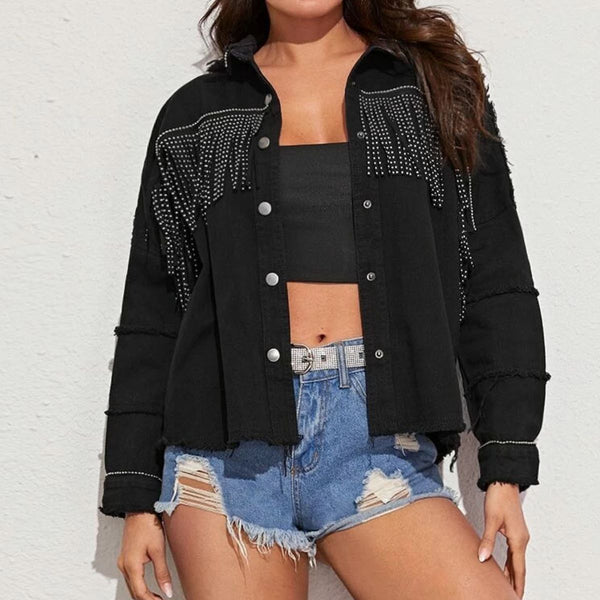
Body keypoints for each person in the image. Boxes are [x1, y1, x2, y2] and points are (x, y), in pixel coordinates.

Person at [99, 1, 550, 598]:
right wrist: (135, 496)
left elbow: (495, 281)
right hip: (225, 451)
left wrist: (506, 464)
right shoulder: (196, 116)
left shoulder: (431, 94)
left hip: (376, 442)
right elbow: (155, 311)